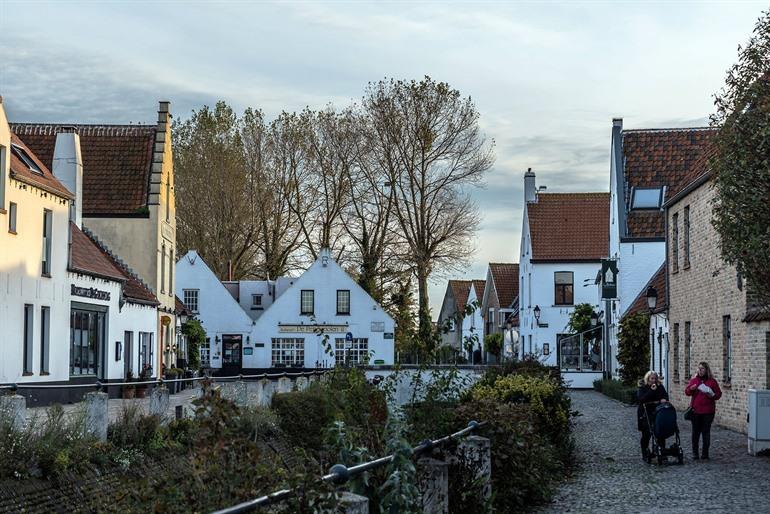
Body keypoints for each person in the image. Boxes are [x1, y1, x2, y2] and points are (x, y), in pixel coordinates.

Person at [685, 361, 722, 460]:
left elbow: (718, 394)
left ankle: (705, 453)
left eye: (702, 369)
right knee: (695, 433)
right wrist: (691, 389)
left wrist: (712, 395)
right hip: (696, 411)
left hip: (708, 411)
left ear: (706, 370)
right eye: (699, 368)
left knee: (706, 432)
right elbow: (687, 392)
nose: (700, 370)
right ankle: (695, 453)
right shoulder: (694, 380)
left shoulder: (712, 381)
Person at [637, 370, 669, 461]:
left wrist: (664, 399)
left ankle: (662, 451)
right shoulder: (642, 387)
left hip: (658, 412)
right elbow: (641, 399)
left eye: (655, 378)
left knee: (660, 432)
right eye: (652, 378)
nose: (653, 380)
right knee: (646, 433)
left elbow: (665, 396)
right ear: (648, 379)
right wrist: (651, 390)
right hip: (645, 413)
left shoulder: (660, 387)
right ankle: (645, 451)